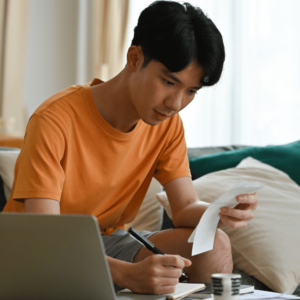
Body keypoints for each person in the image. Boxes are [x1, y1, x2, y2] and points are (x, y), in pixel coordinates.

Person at [3, 0, 258, 295]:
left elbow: (185, 207)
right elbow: (46, 235)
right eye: (168, 82)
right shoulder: (54, 120)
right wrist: (128, 275)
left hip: (112, 242)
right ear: (134, 58)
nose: (175, 104)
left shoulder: (167, 124)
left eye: (190, 91)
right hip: (36, 251)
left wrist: (221, 210)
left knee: (215, 244)